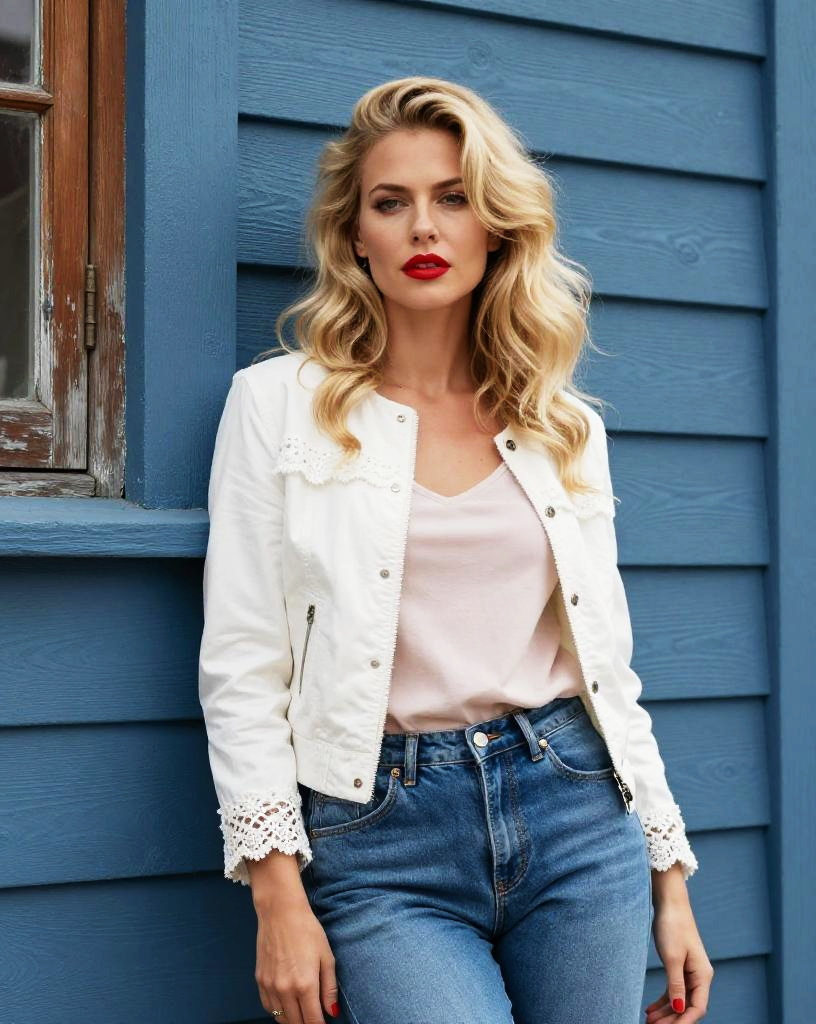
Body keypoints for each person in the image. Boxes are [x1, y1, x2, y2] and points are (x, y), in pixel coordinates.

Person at [198, 76, 712, 1024]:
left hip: (574, 807)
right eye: (391, 203)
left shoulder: (563, 426)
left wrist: (669, 878)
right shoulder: (277, 406)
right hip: (381, 837)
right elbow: (242, 661)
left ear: (498, 227)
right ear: (356, 234)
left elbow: (607, 663)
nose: (424, 228)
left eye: (454, 197)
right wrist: (278, 896)